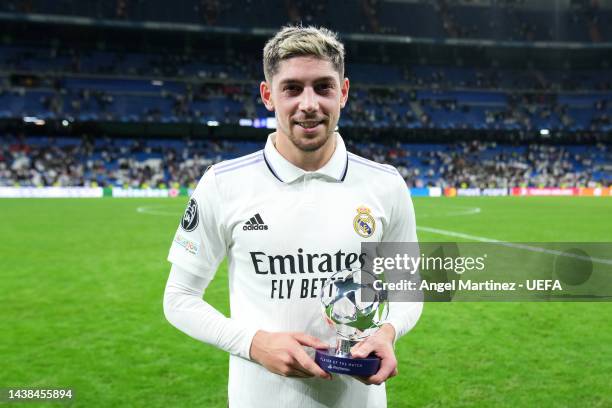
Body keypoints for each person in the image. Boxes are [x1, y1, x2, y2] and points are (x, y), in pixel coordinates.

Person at [164, 25, 422, 407]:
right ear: (268, 95)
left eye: (323, 87)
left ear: (344, 92)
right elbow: (179, 298)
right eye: (292, 88)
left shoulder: (385, 185)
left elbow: (407, 290)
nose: (309, 103)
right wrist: (254, 344)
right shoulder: (223, 184)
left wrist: (387, 331)